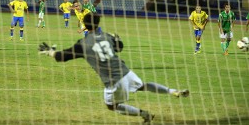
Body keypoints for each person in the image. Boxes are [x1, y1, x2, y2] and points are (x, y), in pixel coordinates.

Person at [38, 13, 189, 125]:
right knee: (144, 85)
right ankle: (172, 91)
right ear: (97, 24)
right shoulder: (106, 36)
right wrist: (117, 38)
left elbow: (61, 57)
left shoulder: (82, 44)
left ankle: (145, 114)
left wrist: (50, 51)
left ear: (84, 25)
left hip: (112, 80)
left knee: (112, 106)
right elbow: (120, 47)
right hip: (125, 71)